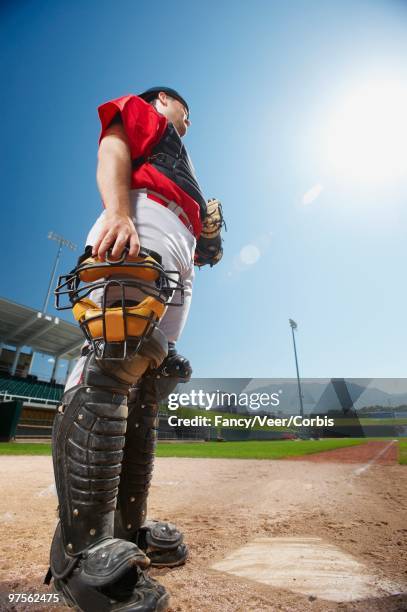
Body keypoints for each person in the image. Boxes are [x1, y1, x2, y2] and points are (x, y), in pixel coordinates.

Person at [45, 87, 224, 611]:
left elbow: (204, 239)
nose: (185, 126)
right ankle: (81, 551)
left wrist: (205, 237)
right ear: (165, 100)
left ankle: (125, 526)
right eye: (184, 114)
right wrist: (118, 213)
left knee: (148, 378)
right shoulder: (146, 112)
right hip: (141, 215)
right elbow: (113, 147)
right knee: (116, 353)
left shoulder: (182, 158)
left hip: (178, 239)